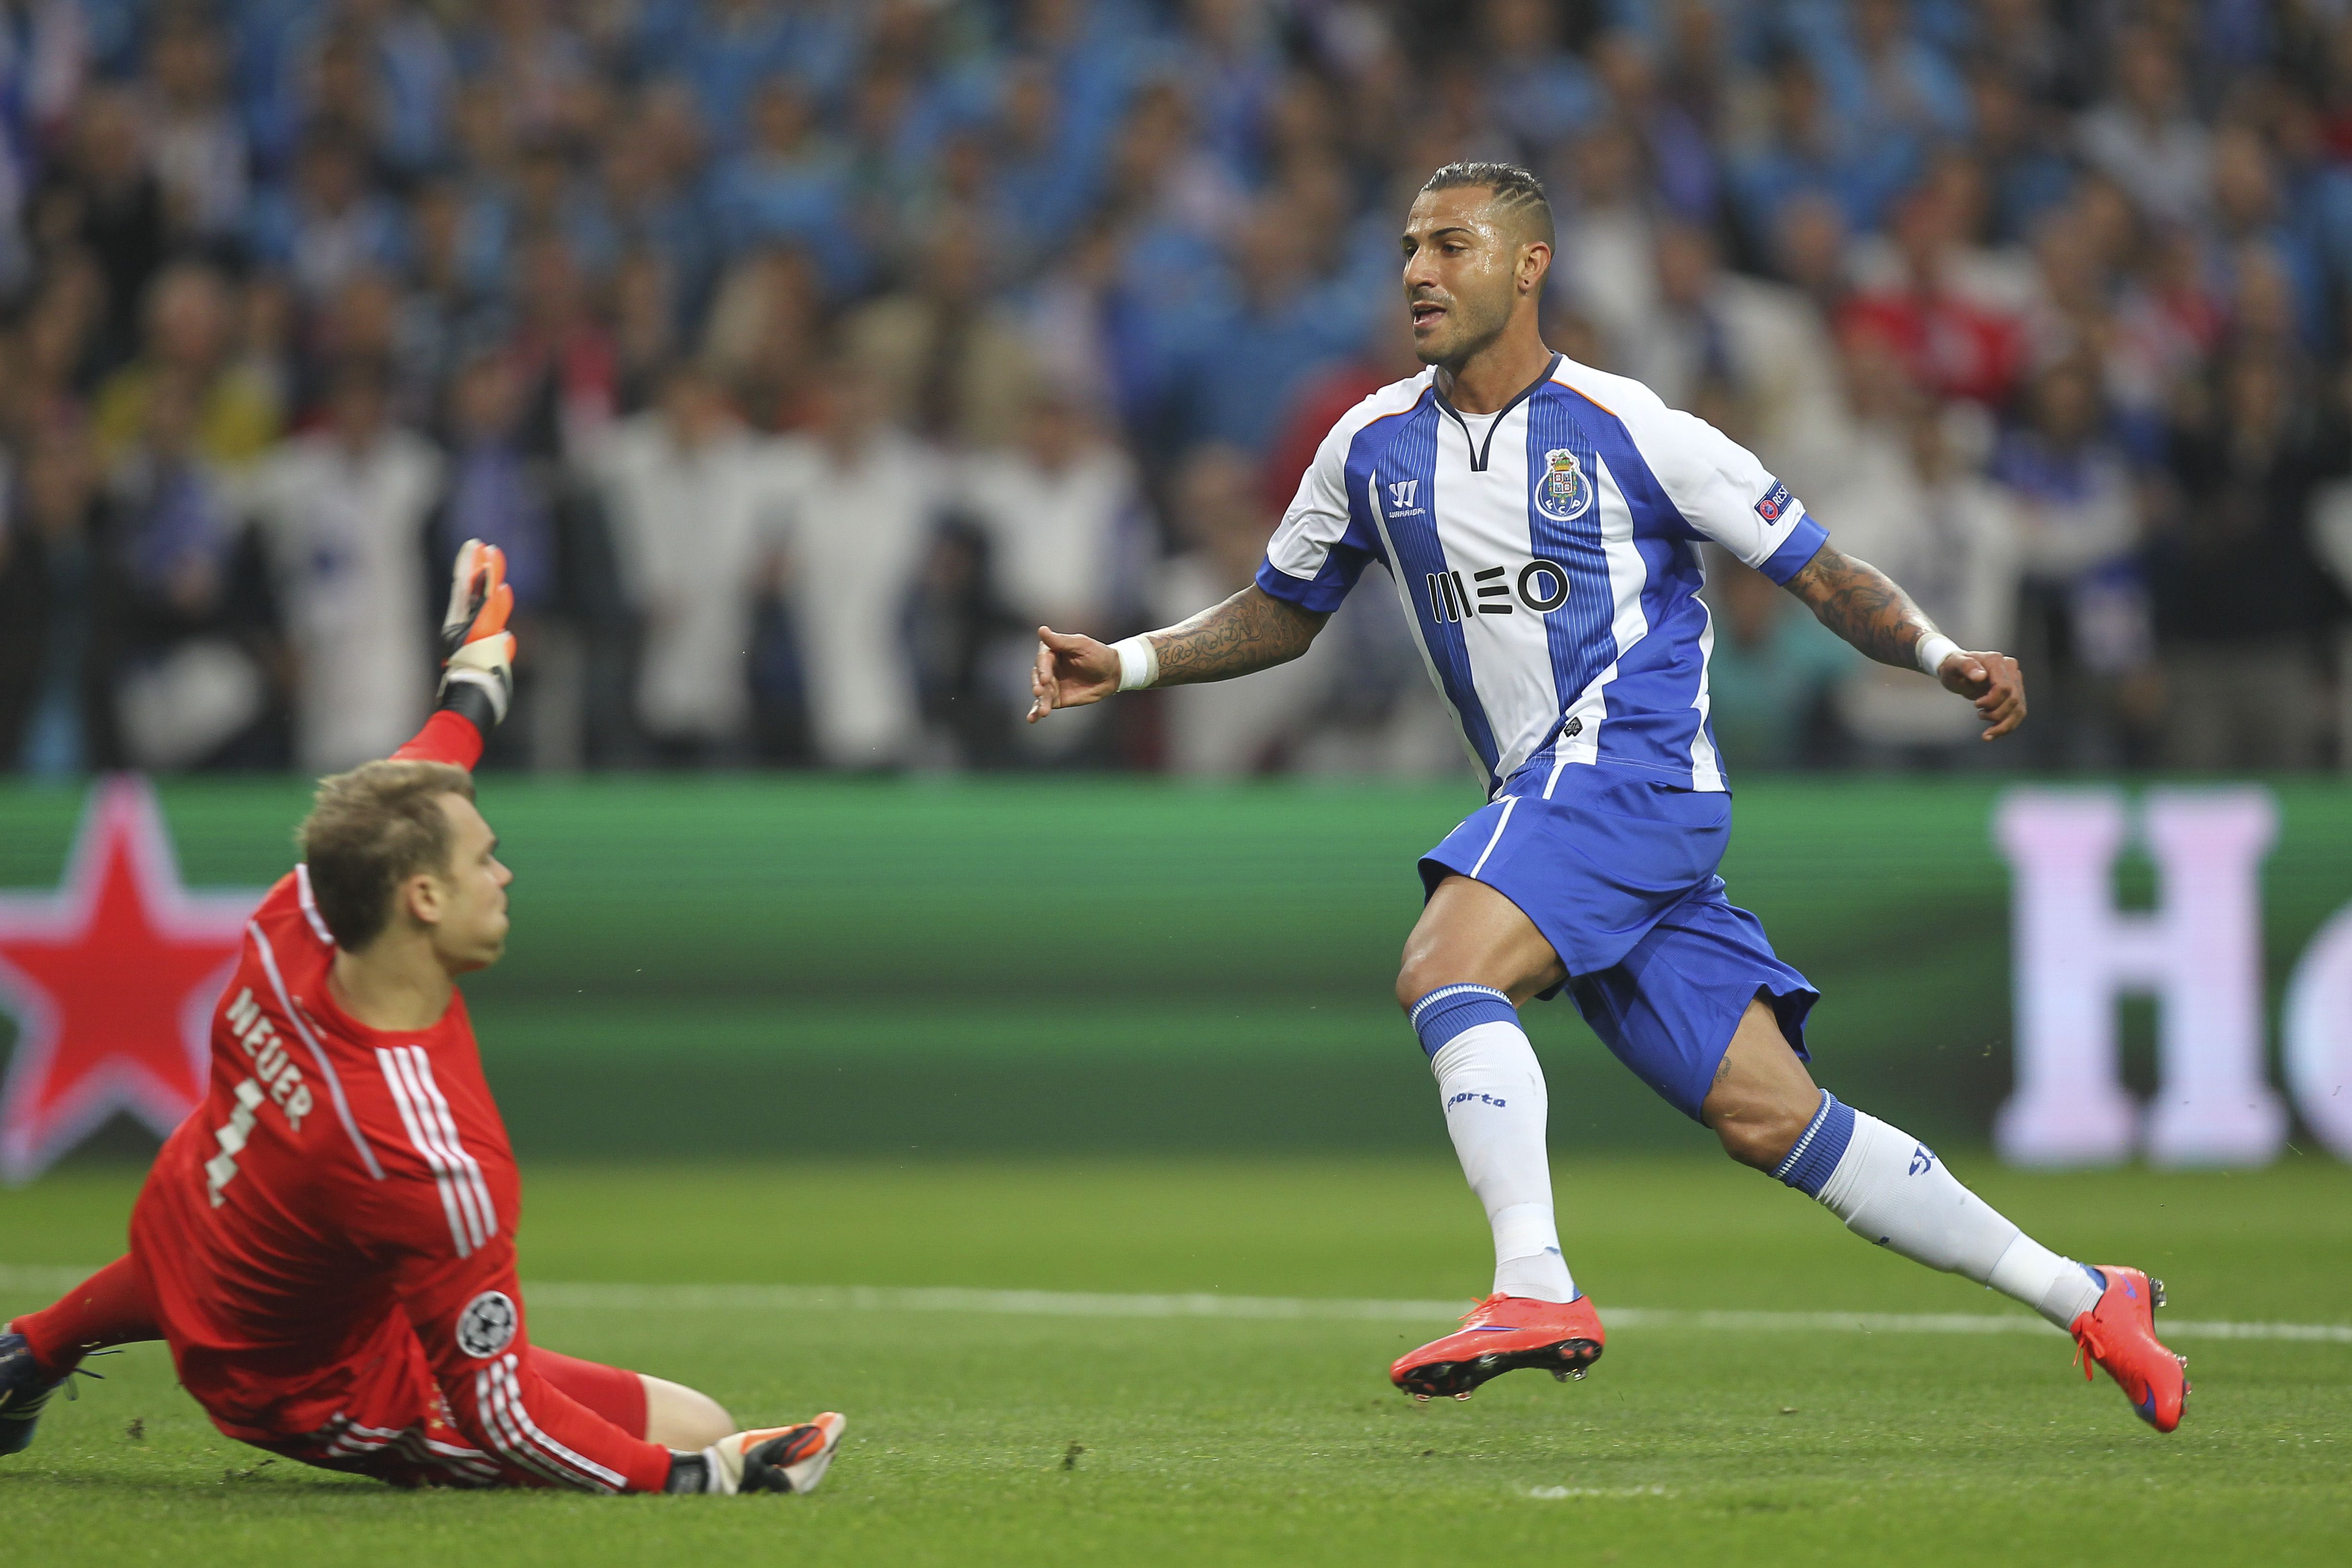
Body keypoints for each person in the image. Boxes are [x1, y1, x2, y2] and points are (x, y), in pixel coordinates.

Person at [1026, 161, 2189, 1433]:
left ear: (1530, 266)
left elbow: (1813, 565)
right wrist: (1130, 661)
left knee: (1445, 965)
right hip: (1565, 805)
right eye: (1409, 246)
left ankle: (1532, 1283)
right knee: (1771, 1117)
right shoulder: (1368, 446)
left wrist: (1937, 654)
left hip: (1631, 773)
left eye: (1451, 246)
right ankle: (2089, 1295)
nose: (1417, 270)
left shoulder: (1634, 428)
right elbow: (1281, 610)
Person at [0, 542, 844, 1495]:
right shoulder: (425, 1153)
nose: (505, 874)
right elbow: (503, 1413)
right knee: (702, 1431)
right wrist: (699, 1479)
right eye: (486, 859)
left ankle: (28, 1352)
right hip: (305, 1382)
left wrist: (473, 670)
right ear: (425, 899)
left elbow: (431, 766)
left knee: (231, 1228)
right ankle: (46, 1350)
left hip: (198, 1222)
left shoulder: (305, 910)